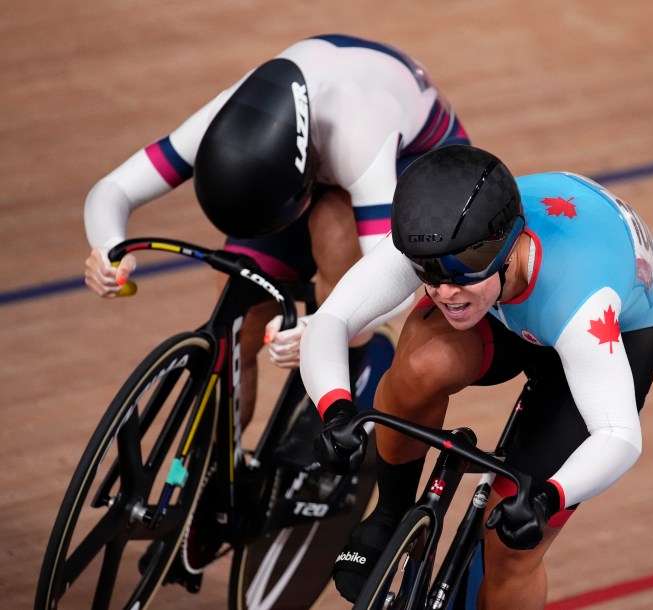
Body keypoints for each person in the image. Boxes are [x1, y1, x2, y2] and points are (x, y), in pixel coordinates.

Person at [81, 34, 471, 577]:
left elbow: (398, 280)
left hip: (411, 158)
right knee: (235, 310)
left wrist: (324, 326)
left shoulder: (361, 131)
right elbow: (112, 190)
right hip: (306, 165)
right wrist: (108, 248)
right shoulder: (225, 115)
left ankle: (349, 372)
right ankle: (218, 474)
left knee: (337, 238)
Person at [299, 144, 653, 607]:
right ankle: (391, 513)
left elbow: (619, 435)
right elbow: (332, 319)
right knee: (419, 367)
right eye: (428, 275)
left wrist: (548, 499)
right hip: (509, 305)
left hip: (614, 326)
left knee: (511, 547)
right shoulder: (440, 241)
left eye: (460, 276)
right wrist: (336, 408)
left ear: (506, 246)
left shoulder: (579, 301)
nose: (443, 291)